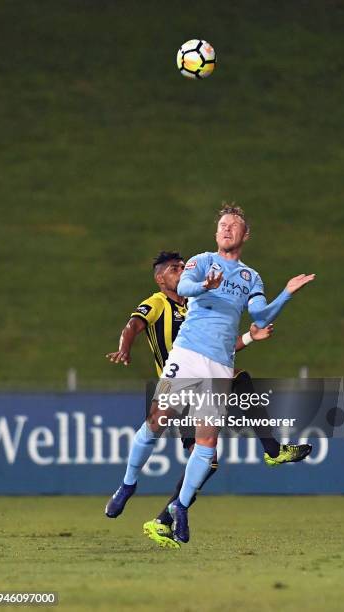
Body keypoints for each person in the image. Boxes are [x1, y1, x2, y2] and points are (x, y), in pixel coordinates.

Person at [105, 204, 315, 545]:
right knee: (156, 422)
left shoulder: (251, 277)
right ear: (216, 234)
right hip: (187, 355)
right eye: (222, 225)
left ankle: (180, 508)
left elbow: (260, 316)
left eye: (234, 225)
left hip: (219, 366)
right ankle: (128, 483)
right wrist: (205, 284)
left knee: (207, 446)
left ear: (245, 235)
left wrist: (287, 293)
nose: (227, 229)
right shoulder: (201, 261)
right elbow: (185, 287)